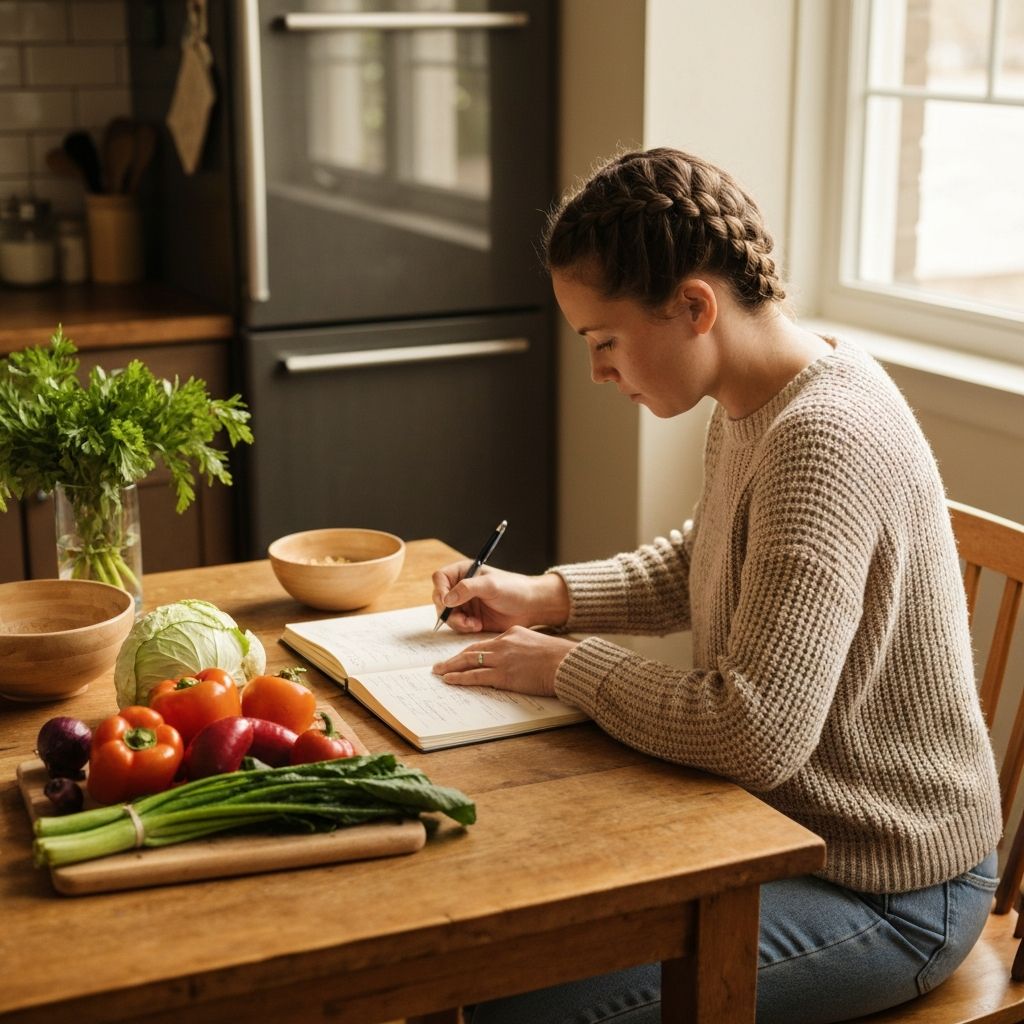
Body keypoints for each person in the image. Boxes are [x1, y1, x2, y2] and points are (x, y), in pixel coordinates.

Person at [430, 147, 1002, 1024]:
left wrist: (561, 667)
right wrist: (545, 595)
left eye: (605, 342)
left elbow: (753, 728)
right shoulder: (759, 399)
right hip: (781, 836)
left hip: (892, 887)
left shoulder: (823, 437)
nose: (598, 372)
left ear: (695, 306)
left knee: (515, 1010)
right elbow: (705, 561)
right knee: (476, 965)